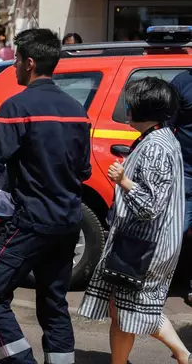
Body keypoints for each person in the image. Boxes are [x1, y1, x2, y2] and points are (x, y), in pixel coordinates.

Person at [0, 28, 91, 364]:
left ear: (30, 62)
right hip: (69, 221)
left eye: (16, 63)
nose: (13, 68)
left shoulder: (17, 107)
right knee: (54, 304)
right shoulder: (77, 110)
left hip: (31, 223)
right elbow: (82, 172)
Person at [78, 77, 191, 364]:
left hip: (145, 247)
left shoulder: (157, 146)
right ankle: (179, 354)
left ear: (145, 109)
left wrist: (123, 180)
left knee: (132, 310)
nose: (126, 107)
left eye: (131, 102)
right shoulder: (160, 138)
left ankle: (179, 354)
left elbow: (150, 205)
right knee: (127, 309)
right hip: (143, 243)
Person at [168, 69, 192, 305]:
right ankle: (157, 283)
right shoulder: (182, 82)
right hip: (185, 172)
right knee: (174, 231)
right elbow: (167, 126)